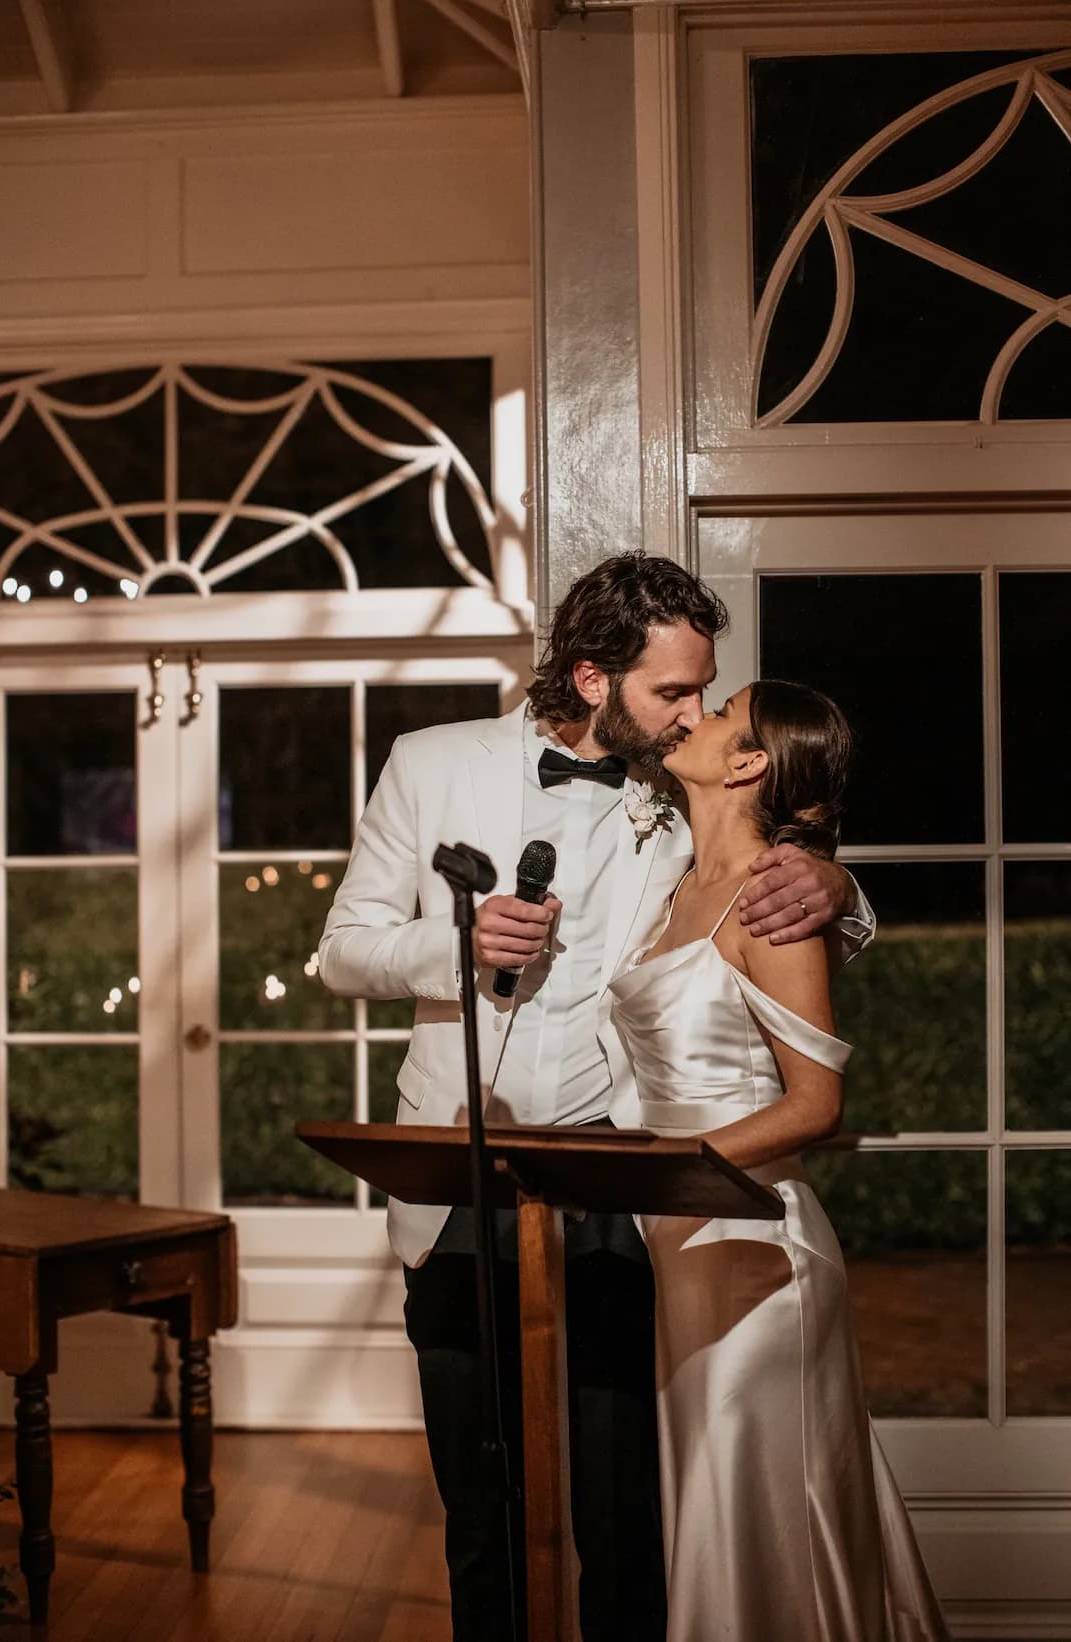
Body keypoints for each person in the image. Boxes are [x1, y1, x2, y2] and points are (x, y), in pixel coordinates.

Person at [318, 554, 875, 1642]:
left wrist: (841, 886)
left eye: (703, 693)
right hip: (458, 1177)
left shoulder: (679, 791)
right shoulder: (428, 762)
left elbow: (780, 856)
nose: (693, 715)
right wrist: (456, 942)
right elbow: (341, 951)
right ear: (588, 679)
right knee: (480, 1508)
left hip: (626, 1192)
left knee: (628, 1515)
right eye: (673, 692)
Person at [608, 680, 947, 1642]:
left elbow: (816, 1102)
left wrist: (663, 1163)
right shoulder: (675, 885)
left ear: (749, 762)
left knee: (759, 1514)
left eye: (719, 714)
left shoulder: (774, 898)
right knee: (712, 1516)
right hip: (678, 1241)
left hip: (756, 1249)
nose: (695, 716)